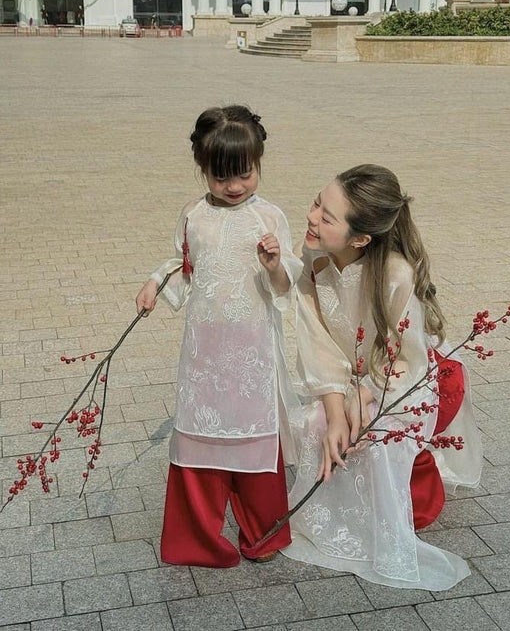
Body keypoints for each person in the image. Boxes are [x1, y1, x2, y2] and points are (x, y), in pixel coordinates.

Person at [282, 164, 482, 590]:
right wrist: (337, 411)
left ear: (360, 239)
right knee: (314, 428)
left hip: (402, 383)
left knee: (375, 443)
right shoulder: (313, 262)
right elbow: (318, 346)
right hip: (346, 382)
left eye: (327, 216)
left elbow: (403, 362)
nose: (312, 217)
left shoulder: (395, 275)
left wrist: (364, 398)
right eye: (317, 202)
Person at [135, 105, 302, 568]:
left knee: (256, 435)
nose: (234, 187)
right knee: (199, 433)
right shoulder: (192, 215)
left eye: (244, 174)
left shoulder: (270, 217)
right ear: (202, 169)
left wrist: (274, 266)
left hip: (252, 353)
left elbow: (288, 281)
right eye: (220, 176)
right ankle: (197, 540)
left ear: (259, 164)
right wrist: (155, 283)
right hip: (203, 353)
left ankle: (263, 533)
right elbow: (183, 267)